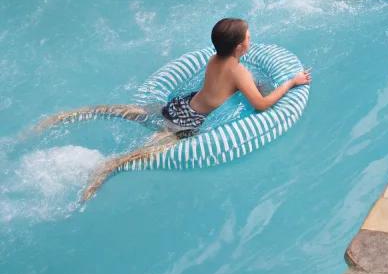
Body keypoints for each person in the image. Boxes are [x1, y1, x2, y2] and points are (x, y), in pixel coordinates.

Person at [37, 17, 311, 201]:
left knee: (132, 112)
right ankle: (109, 167)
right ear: (241, 46)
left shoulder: (215, 58)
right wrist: (290, 82)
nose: (251, 39)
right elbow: (261, 105)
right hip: (190, 122)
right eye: (249, 37)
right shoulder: (238, 72)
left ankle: (72, 114)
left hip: (180, 105)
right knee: (143, 152)